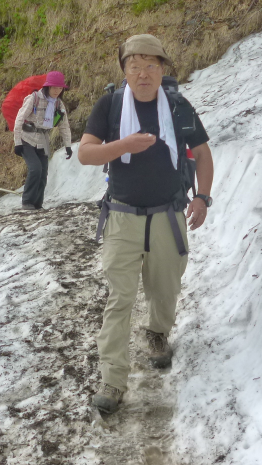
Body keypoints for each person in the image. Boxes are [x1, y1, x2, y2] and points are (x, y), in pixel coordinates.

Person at [78, 34, 214, 414]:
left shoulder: (177, 105)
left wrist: (202, 197)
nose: (143, 73)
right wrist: (122, 146)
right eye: (134, 65)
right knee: (119, 298)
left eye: (151, 65)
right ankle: (112, 378)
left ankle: (157, 333)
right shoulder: (110, 104)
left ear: (163, 70)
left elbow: (202, 154)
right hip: (122, 216)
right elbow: (87, 153)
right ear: (124, 70)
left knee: (165, 287)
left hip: (169, 214)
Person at [13, 71, 73, 210]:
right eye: (54, 88)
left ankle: (37, 204)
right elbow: (19, 119)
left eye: (60, 88)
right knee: (35, 169)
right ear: (47, 87)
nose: (57, 91)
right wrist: (17, 143)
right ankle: (27, 202)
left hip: (43, 140)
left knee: (43, 172)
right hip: (27, 138)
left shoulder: (59, 104)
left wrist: (68, 146)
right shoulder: (34, 98)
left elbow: (64, 125)